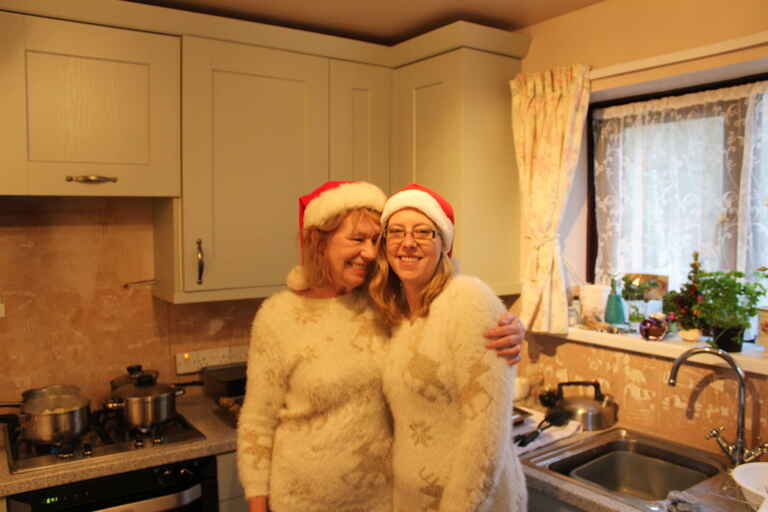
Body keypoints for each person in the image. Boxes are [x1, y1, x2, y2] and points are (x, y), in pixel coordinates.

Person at [237, 181, 525, 512]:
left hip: (384, 500)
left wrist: (510, 329)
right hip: (303, 500)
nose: (371, 252)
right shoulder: (278, 316)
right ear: (320, 242)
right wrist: (257, 502)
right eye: (357, 239)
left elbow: (451, 316)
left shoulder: (383, 304)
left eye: (376, 240)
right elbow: (257, 421)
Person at [370, 183, 527, 512]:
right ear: (384, 245)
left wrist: (461, 506)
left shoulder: (469, 300)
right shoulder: (393, 311)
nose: (408, 242)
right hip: (411, 499)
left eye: (423, 232)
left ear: (444, 244)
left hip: (472, 503)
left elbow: (487, 432)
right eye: (396, 231)